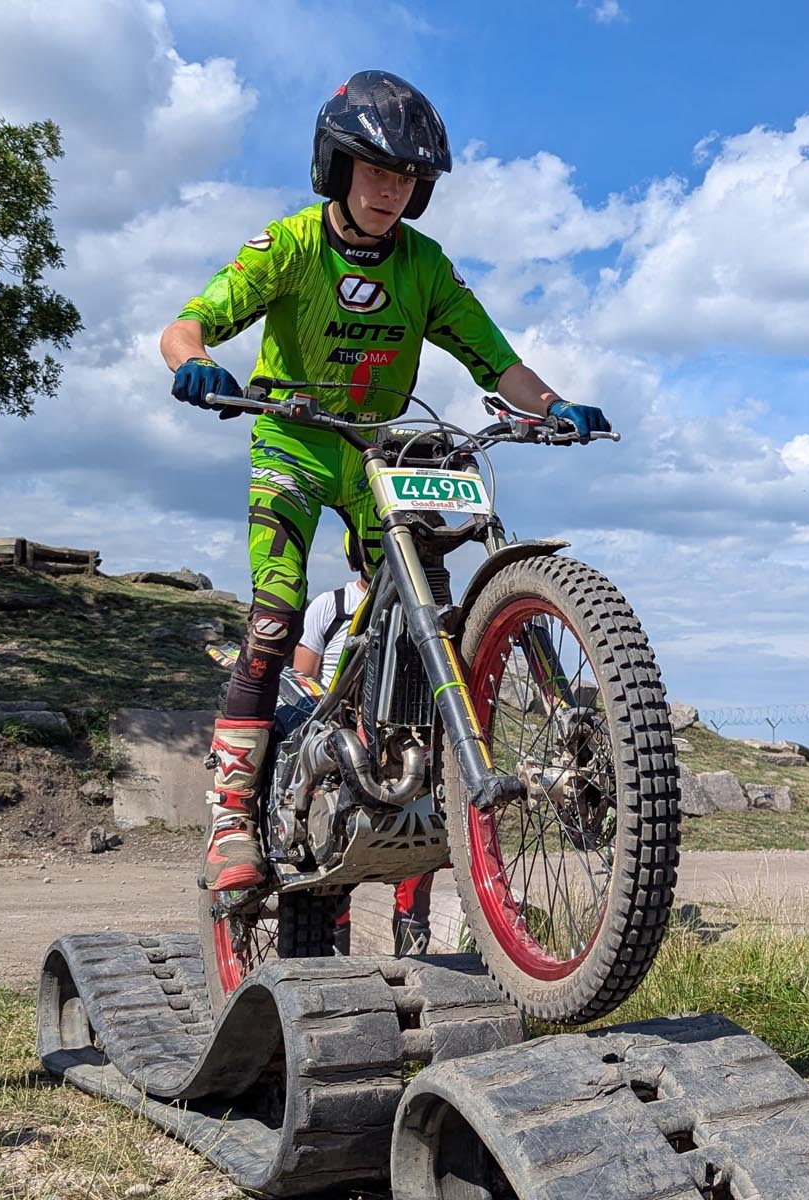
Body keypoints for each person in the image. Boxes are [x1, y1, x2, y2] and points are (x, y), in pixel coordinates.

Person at [161, 70, 609, 895]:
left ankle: (390, 756)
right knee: (274, 616)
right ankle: (230, 816)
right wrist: (195, 363)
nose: (390, 189)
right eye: (374, 169)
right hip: (295, 442)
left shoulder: (425, 266)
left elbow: (497, 361)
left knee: (425, 608)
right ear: (336, 166)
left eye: (406, 176)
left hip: (379, 452)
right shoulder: (290, 244)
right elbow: (188, 324)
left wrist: (554, 407)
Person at [276, 530, 435, 956]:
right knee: (333, 860)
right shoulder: (332, 606)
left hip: (403, 731)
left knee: (418, 855)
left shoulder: (421, 608)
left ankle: (413, 959)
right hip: (339, 731)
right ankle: (335, 952)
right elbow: (303, 680)